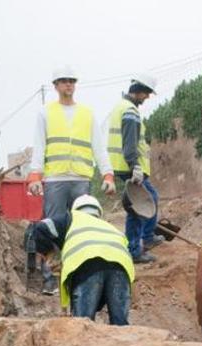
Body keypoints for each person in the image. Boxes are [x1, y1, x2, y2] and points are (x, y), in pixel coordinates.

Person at [26, 66, 116, 294]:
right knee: (51, 228)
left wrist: (108, 173)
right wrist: (35, 175)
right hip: (55, 178)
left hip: (81, 179)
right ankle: (50, 280)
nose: (68, 85)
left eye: (71, 81)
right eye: (63, 81)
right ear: (55, 85)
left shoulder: (86, 113)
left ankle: (81, 275)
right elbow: (40, 146)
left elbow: (98, 146)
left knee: (83, 227)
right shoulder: (45, 113)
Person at [31, 195, 134, 325]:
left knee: (82, 325)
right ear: (98, 213)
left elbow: (41, 227)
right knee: (121, 325)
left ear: (76, 209)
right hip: (121, 267)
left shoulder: (71, 218)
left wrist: (50, 254)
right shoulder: (111, 227)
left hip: (88, 265)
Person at [105, 75, 163, 264]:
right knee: (140, 207)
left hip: (123, 165)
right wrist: (135, 166)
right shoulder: (130, 111)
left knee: (147, 200)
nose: (146, 98)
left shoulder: (121, 107)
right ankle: (136, 249)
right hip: (129, 166)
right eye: (146, 94)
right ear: (139, 90)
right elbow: (129, 143)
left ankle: (146, 238)